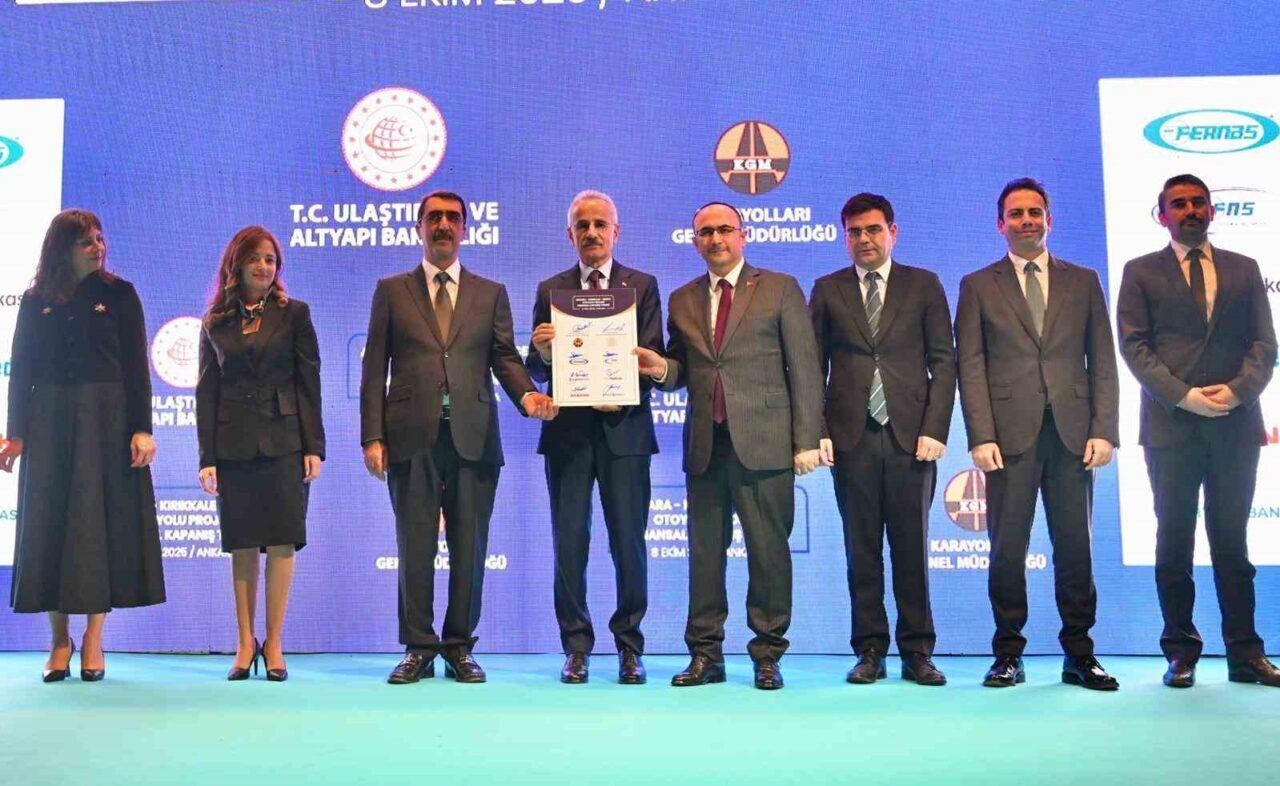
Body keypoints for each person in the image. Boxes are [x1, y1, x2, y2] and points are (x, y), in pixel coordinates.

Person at [361, 190, 558, 685]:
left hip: (474, 436)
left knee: (470, 547)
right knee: (415, 545)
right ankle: (418, 647)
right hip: (411, 437)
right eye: (434, 218)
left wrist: (528, 396)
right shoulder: (391, 290)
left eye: (452, 218)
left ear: (466, 229)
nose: (443, 225)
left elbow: (504, 358)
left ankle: (459, 647)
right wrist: (372, 436)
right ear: (419, 228)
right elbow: (373, 369)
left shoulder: (490, 293)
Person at [636, 201, 822, 690]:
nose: (715, 239)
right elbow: (681, 368)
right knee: (704, 557)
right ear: (694, 241)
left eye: (724, 230)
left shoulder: (780, 287)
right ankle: (705, 655)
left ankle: (768, 655)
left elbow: (804, 367)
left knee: (768, 554)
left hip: (766, 444)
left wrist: (806, 440)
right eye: (705, 232)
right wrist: (660, 368)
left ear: (743, 235)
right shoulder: (682, 298)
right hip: (705, 447)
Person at [954, 178, 1120, 690]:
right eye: (1016, 213)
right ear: (1000, 224)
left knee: (1076, 549)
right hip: (1008, 439)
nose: (1026, 220)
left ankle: (1080, 654)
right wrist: (980, 435)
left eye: (1034, 212)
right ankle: (1008, 653)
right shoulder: (978, 285)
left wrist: (1104, 430)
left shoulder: (1084, 280)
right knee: (1007, 550)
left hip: (1073, 435)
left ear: (1050, 220)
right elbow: (970, 366)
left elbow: (1103, 359)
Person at [1116, 174, 1280, 688]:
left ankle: (1245, 654)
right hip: (1171, 427)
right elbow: (1134, 347)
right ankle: (1181, 653)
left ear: (1212, 211)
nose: (1190, 210)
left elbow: (1264, 344)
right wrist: (1184, 396)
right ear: (1162, 215)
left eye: (1198, 203)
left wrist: (1236, 392)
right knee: (1174, 543)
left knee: (1232, 543)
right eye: (1179, 204)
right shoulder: (1139, 271)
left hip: (1236, 425)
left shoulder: (1244, 268)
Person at [1, 209, 164, 682]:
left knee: (97, 528)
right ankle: (60, 640)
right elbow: (21, 370)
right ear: (62, 250)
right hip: (48, 422)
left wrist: (142, 428)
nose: (98, 247)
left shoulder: (120, 294)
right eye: (86, 242)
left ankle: (94, 638)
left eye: (100, 238)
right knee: (51, 525)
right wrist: (15, 433)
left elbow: (136, 368)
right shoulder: (35, 300)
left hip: (106, 423)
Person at [810, 193, 955, 686]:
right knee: (861, 551)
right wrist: (818, 430)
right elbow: (811, 368)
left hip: (911, 438)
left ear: (893, 232)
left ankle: (918, 652)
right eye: (854, 232)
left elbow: (944, 362)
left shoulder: (924, 284)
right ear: (844, 237)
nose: (864, 239)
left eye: (873, 229)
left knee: (911, 550)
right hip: (850, 438)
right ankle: (869, 650)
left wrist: (935, 428)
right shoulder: (827, 289)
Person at [526, 191, 662, 685]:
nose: (592, 233)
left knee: (629, 544)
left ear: (615, 232)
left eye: (600, 224)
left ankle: (629, 647)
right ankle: (576, 647)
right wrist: (543, 352)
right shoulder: (551, 290)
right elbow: (536, 369)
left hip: (626, 433)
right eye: (582, 225)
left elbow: (653, 357)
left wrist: (622, 392)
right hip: (568, 437)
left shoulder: (642, 286)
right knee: (570, 544)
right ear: (570, 235)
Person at [196, 226, 325, 682]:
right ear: (237, 264)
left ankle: (274, 642)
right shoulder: (214, 322)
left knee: (283, 541)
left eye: (270, 259)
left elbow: (309, 383)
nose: (263, 266)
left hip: (285, 442)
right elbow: (207, 391)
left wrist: (314, 446)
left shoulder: (296, 314)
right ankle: (244, 642)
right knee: (243, 543)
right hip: (232, 445)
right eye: (255, 258)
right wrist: (206, 457)